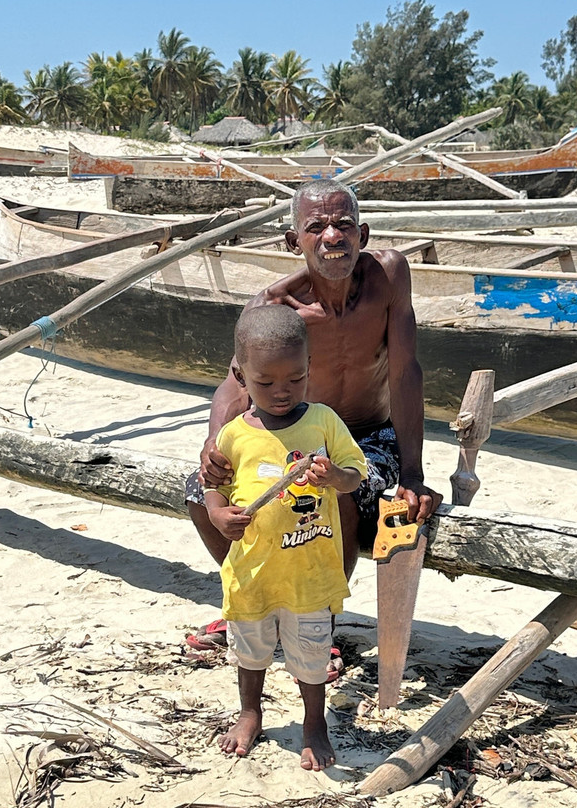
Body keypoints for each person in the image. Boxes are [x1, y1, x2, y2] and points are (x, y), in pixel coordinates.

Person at [186, 178, 441, 653]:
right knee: (199, 496)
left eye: (344, 224)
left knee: (332, 490)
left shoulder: (388, 276)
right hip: (297, 437)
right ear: (293, 241)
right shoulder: (274, 308)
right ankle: (251, 601)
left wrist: (413, 473)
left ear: (362, 235)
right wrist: (215, 444)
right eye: (316, 226)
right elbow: (235, 382)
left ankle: (319, 622)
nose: (332, 236)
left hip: (370, 437)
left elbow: (406, 372)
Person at [206, 304, 367, 770]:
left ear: (309, 368)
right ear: (240, 375)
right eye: (266, 382)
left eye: (295, 380)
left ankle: (314, 721)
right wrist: (219, 516)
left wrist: (334, 475)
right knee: (250, 651)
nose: (282, 392)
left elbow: (356, 475)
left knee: (312, 657)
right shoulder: (234, 435)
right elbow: (212, 488)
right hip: (253, 572)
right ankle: (250, 712)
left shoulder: (322, 421)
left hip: (309, 573)